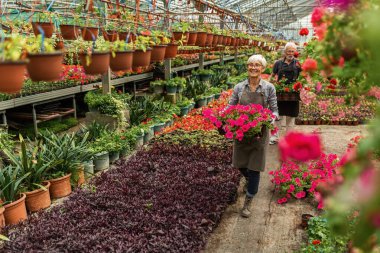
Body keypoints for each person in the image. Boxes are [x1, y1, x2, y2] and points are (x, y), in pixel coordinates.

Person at [228, 54, 279, 218]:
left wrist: (270, 119)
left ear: (263, 69)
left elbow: (275, 110)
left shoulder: (268, 88)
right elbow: (230, 107)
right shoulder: (239, 87)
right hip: (241, 133)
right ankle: (249, 181)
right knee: (240, 163)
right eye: (251, 64)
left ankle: (248, 201)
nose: (253, 67)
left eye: (257, 65)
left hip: (259, 133)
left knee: (254, 167)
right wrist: (224, 117)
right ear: (247, 67)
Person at [269, 42, 302, 144]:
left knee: (291, 117)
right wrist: (270, 86)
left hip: (293, 94)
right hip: (280, 94)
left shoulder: (298, 63)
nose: (290, 53)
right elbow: (272, 75)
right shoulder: (278, 63)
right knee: (277, 116)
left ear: (295, 52)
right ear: (285, 52)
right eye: (289, 51)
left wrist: (303, 86)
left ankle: (289, 138)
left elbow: (304, 76)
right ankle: (275, 137)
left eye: (292, 51)